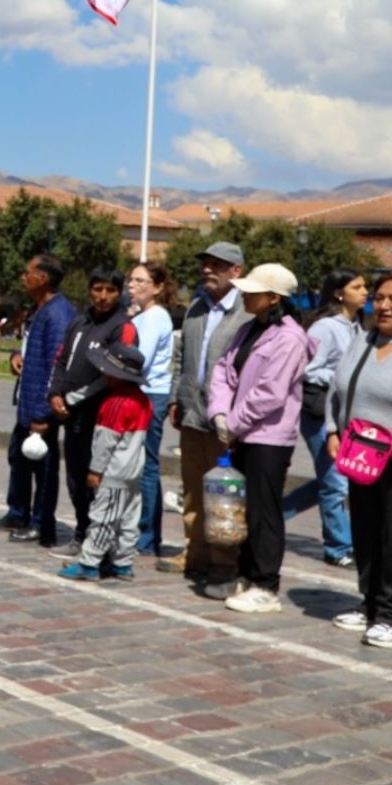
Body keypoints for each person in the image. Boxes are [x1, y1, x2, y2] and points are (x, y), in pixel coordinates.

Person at [324, 274, 392, 650]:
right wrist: (331, 431)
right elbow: (338, 389)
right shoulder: (364, 339)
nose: (384, 306)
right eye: (379, 298)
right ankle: (371, 603)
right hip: (360, 455)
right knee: (366, 531)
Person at [205, 263, 313, 614]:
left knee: (264, 511)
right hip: (240, 431)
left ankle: (265, 582)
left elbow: (270, 393)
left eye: (253, 291)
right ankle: (246, 573)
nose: (245, 295)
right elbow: (224, 370)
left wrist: (233, 423)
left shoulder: (290, 337)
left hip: (268, 436)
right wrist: (219, 413)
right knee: (243, 509)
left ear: (273, 297)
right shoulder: (249, 328)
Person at [156, 242, 251, 585]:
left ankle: (224, 560)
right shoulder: (196, 307)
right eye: (206, 263)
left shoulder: (247, 312)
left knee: (225, 494)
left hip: (226, 421)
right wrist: (174, 399)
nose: (207, 269)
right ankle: (193, 553)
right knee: (193, 489)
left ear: (236, 271)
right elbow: (181, 358)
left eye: (217, 264)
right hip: (191, 415)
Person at [46, 267, 136, 559]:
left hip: (101, 415)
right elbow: (61, 360)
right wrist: (55, 393)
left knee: (97, 478)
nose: (103, 296)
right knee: (74, 476)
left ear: (119, 293)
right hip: (72, 415)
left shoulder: (122, 326)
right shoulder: (79, 323)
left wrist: (72, 398)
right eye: (98, 289)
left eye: (110, 290)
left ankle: (102, 539)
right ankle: (82, 531)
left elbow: (114, 373)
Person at [0, 254, 75, 547]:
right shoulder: (40, 310)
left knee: (43, 468)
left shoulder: (59, 314)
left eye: (28, 273)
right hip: (26, 404)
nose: (23, 278)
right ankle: (18, 512)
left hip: (42, 410)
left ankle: (40, 522)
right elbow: (30, 349)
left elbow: (55, 366)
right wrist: (15, 356)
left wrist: (42, 413)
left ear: (44, 278)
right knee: (19, 459)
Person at [283, 268, 367, 568]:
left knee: (329, 479)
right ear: (339, 293)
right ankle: (338, 547)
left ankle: (276, 516)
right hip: (319, 411)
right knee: (335, 481)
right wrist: (342, 375)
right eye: (357, 287)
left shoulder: (356, 326)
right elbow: (305, 368)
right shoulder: (325, 328)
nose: (365, 292)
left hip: (345, 414)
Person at [57, 341, 151, 583]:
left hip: (114, 472)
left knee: (104, 518)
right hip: (133, 470)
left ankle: (89, 563)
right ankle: (123, 562)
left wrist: (95, 470)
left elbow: (104, 442)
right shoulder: (142, 401)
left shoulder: (115, 403)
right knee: (129, 520)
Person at [126, 262, 175, 556]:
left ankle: (148, 534)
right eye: (131, 280)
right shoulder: (141, 316)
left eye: (140, 280)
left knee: (147, 466)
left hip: (150, 394)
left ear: (157, 287)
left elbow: (138, 358)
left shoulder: (157, 317)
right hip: (138, 392)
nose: (132, 285)